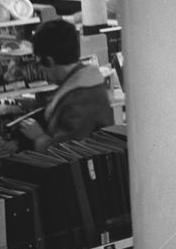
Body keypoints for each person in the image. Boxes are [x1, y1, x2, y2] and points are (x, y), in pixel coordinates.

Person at [18, 18, 113, 152]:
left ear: (49, 61)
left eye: (39, 64)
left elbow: (67, 153)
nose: (40, 70)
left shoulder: (80, 100)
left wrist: (38, 137)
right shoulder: (84, 82)